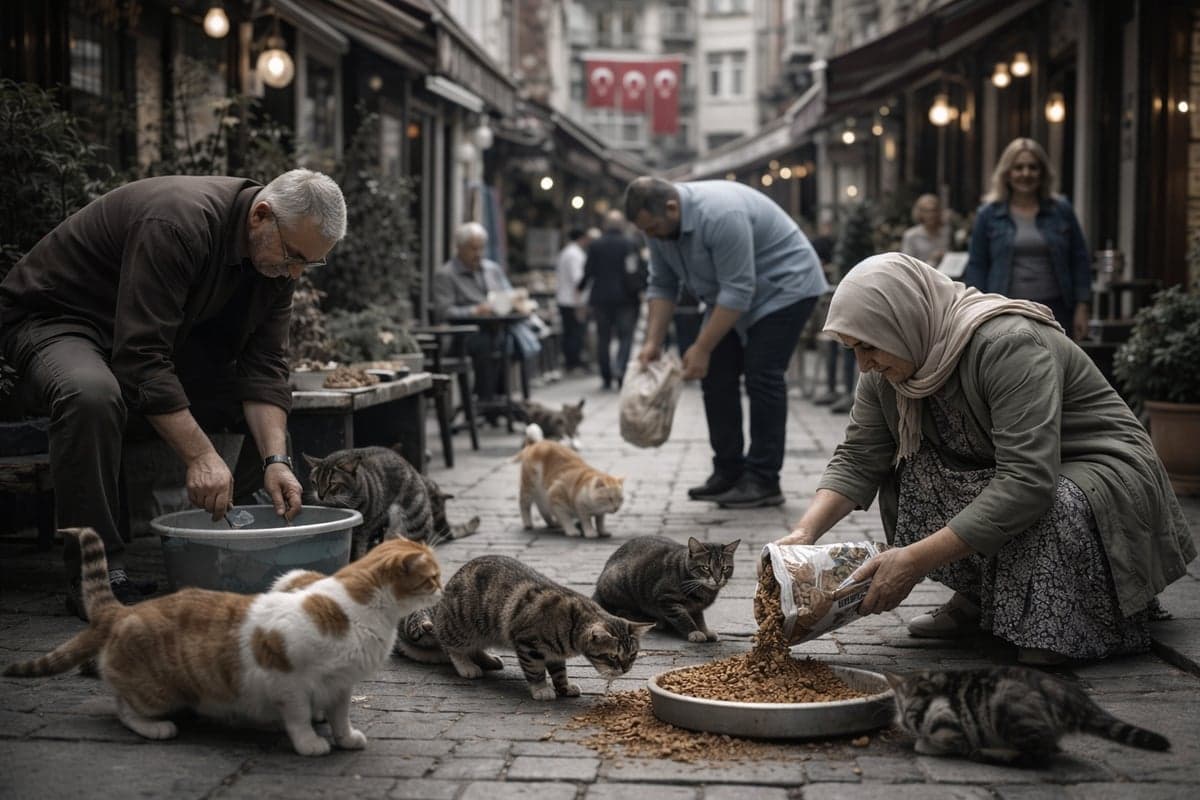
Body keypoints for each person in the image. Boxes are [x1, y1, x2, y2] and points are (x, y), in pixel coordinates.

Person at [775, 253, 1194, 665]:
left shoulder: (1007, 343)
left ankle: (1074, 619)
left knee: (1054, 506)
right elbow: (859, 457)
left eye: (868, 346)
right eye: (852, 348)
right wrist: (803, 534)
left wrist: (913, 560)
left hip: (1099, 470)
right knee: (914, 474)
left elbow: (1027, 481)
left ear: (905, 319)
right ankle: (985, 598)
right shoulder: (888, 369)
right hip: (1011, 470)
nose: (862, 363)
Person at [0, 170, 346, 617]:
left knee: (258, 415)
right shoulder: (178, 223)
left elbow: (264, 368)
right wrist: (201, 456)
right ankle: (97, 575)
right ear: (260, 215)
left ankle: (244, 547)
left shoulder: (275, 256)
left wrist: (275, 461)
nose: (296, 272)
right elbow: (141, 358)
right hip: (59, 320)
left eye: (310, 264)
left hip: (149, 337)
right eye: (294, 256)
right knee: (91, 395)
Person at [626, 177, 828, 509]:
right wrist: (653, 342)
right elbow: (662, 285)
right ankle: (729, 470)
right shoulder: (659, 230)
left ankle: (764, 479)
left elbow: (738, 290)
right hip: (733, 296)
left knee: (762, 374)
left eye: (654, 228)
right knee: (715, 374)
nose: (652, 237)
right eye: (645, 231)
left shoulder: (721, 214)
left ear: (672, 208)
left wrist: (702, 346)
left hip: (785, 288)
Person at [963, 137, 1091, 340]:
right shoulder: (988, 214)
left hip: (1056, 309)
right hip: (1006, 309)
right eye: (1018, 168)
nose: (1026, 174)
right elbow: (977, 265)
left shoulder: (1061, 210)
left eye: (1033, 167)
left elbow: (1079, 259)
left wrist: (1082, 307)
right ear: (1007, 173)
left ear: (1042, 172)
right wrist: (976, 311)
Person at [432, 222, 514, 407]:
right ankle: (484, 400)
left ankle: (499, 399)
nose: (478, 254)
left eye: (481, 248)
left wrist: (512, 301)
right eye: (473, 249)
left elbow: (508, 293)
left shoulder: (492, 269)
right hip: (462, 335)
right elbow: (444, 311)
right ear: (459, 248)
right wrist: (474, 310)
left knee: (507, 341)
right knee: (486, 342)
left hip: (496, 327)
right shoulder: (446, 274)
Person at [578, 210, 642, 390]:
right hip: (626, 298)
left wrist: (580, 287)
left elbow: (588, 270)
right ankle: (620, 369)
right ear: (621, 225)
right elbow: (635, 270)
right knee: (625, 336)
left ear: (605, 225)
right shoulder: (630, 243)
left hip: (601, 298)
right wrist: (639, 290)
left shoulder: (596, 244)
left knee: (603, 337)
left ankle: (606, 375)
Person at [554, 227, 591, 373]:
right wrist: (580, 304)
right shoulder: (574, 254)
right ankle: (573, 363)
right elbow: (578, 281)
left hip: (565, 299)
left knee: (570, 332)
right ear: (581, 238)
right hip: (572, 300)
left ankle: (572, 362)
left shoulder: (566, 252)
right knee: (575, 333)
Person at [900, 193, 951, 267]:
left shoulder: (946, 232)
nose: (931, 215)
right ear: (920, 213)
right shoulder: (911, 235)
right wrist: (932, 260)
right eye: (927, 211)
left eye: (934, 210)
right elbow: (907, 265)